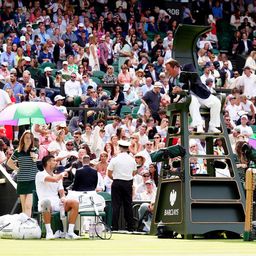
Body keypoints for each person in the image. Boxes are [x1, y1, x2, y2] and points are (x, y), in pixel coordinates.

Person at [165, 58, 221, 133]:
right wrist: (173, 92)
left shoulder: (188, 67)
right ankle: (199, 126)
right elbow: (171, 94)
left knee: (216, 102)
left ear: (175, 67)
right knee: (192, 99)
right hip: (186, 98)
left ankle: (212, 126)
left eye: (168, 69)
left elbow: (195, 80)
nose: (167, 72)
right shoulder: (171, 80)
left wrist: (182, 89)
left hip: (200, 93)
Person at [35, 155, 80, 239]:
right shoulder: (40, 174)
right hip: (44, 204)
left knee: (75, 202)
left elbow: (62, 192)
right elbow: (54, 179)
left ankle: (70, 232)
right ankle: (49, 232)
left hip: (57, 203)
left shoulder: (58, 176)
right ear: (48, 163)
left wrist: (63, 198)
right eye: (54, 161)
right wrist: (63, 173)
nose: (56, 162)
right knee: (46, 202)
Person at [7, 131, 38, 217]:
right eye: (26, 137)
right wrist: (17, 169)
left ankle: (27, 225)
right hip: (21, 181)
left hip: (32, 181)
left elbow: (36, 160)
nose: (28, 139)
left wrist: (33, 156)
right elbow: (9, 163)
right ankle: (26, 225)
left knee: (28, 206)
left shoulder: (34, 150)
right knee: (24, 207)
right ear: (23, 139)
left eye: (30, 138)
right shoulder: (18, 151)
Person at [107, 140, 137, 231]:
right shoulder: (132, 160)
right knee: (128, 205)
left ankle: (114, 226)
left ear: (120, 148)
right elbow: (134, 172)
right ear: (128, 148)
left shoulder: (115, 159)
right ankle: (130, 226)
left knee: (116, 205)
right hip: (127, 183)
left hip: (117, 182)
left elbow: (109, 173)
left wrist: (116, 178)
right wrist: (126, 177)